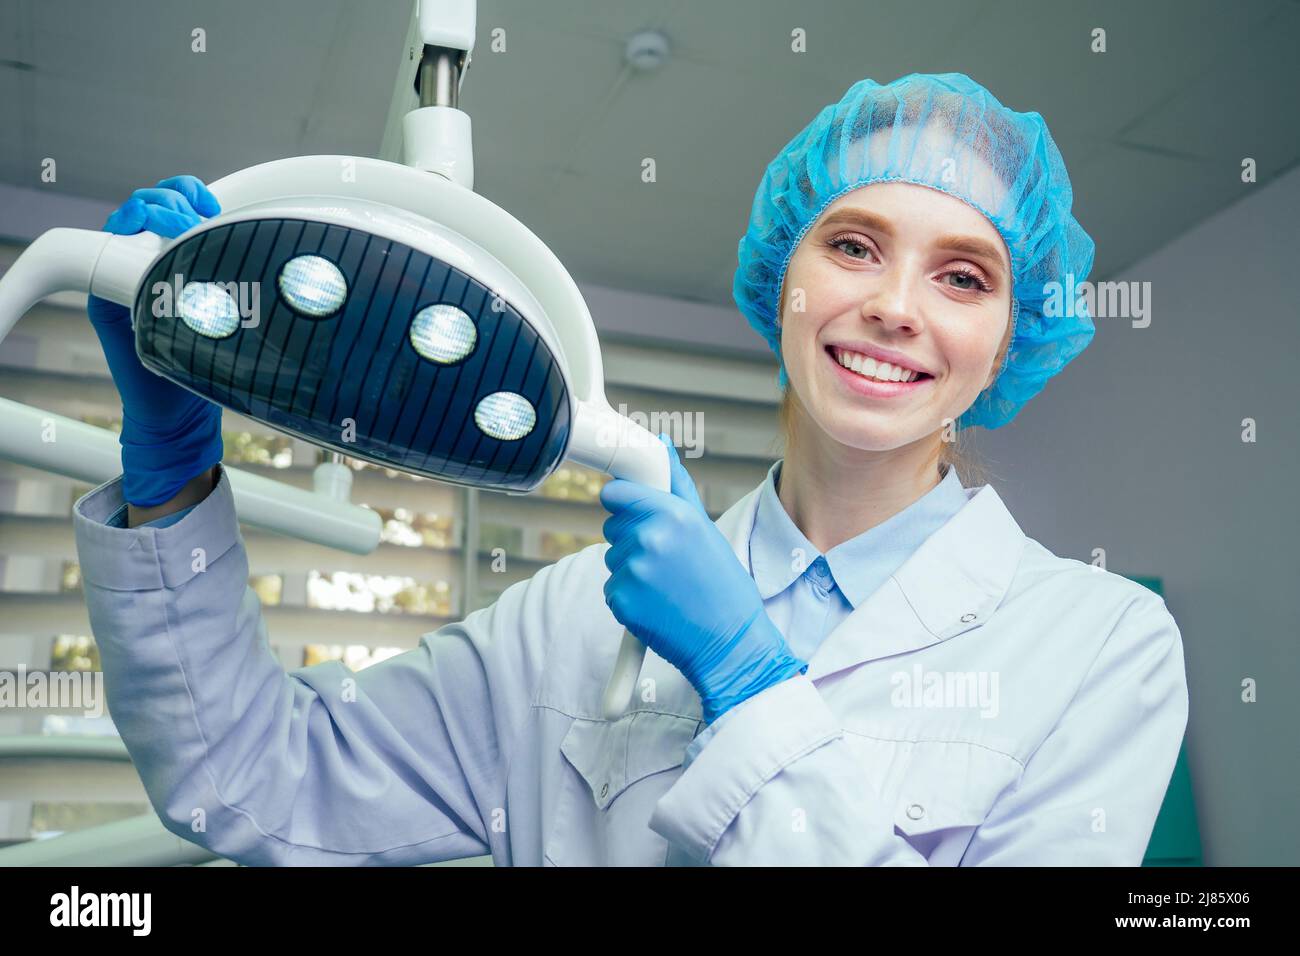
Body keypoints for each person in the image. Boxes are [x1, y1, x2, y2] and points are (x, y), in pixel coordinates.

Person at [73, 72, 1187, 866]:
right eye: (851, 246)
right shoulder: (566, 623)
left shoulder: (1096, 645)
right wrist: (171, 468)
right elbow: (255, 786)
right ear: (779, 279)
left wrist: (746, 684)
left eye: (961, 276)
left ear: (1007, 341)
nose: (894, 306)